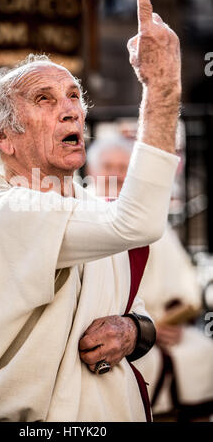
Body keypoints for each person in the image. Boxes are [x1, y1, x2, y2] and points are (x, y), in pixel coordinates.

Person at [0, 0, 181, 422]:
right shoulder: (7, 211)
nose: (71, 110)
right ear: (3, 137)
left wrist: (130, 331)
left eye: (72, 97)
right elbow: (138, 224)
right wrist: (161, 90)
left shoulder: (88, 205)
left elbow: (137, 316)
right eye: (44, 100)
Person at [86, 133, 213, 421]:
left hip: (155, 325)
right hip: (102, 331)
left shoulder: (149, 218)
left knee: (202, 351)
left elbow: (182, 289)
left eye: (123, 167)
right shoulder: (82, 214)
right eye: (108, 166)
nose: (116, 174)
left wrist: (166, 322)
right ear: (92, 171)